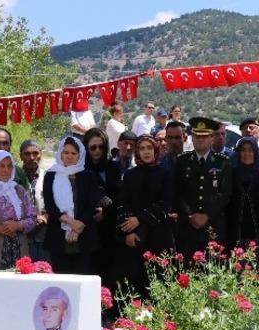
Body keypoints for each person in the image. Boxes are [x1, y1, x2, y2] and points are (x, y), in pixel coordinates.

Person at [116, 134, 175, 298]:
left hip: (159, 235)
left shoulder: (165, 174)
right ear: (137, 151)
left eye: (149, 148)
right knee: (135, 278)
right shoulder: (130, 175)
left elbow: (165, 203)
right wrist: (128, 231)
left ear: (156, 150)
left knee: (158, 277)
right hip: (134, 236)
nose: (146, 152)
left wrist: (139, 219)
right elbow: (122, 203)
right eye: (142, 148)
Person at [173, 117, 233, 259]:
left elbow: (225, 194)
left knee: (213, 272)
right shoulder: (181, 161)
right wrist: (190, 215)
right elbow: (176, 193)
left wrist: (206, 215)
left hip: (213, 227)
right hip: (188, 227)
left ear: (212, 138)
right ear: (192, 138)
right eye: (197, 136)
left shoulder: (222, 162)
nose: (200, 139)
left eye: (204, 136)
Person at [43, 136, 102, 274]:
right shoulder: (51, 175)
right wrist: (70, 222)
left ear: (80, 155)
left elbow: (91, 203)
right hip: (58, 234)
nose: (69, 156)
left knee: (82, 277)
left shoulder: (88, 175)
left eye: (73, 153)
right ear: (60, 154)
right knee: (62, 278)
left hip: (84, 235)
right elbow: (50, 204)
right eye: (66, 152)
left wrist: (78, 227)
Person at [83, 128, 122, 285]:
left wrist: (105, 212)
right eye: (93, 147)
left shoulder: (113, 167)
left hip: (110, 226)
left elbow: (120, 196)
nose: (97, 151)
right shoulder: (81, 169)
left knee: (109, 273)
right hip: (87, 227)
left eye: (101, 147)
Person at [225, 137, 259, 253]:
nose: (246, 153)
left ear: (255, 152)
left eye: (250, 150)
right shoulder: (230, 175)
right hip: (234, 236)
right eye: (243, 150)